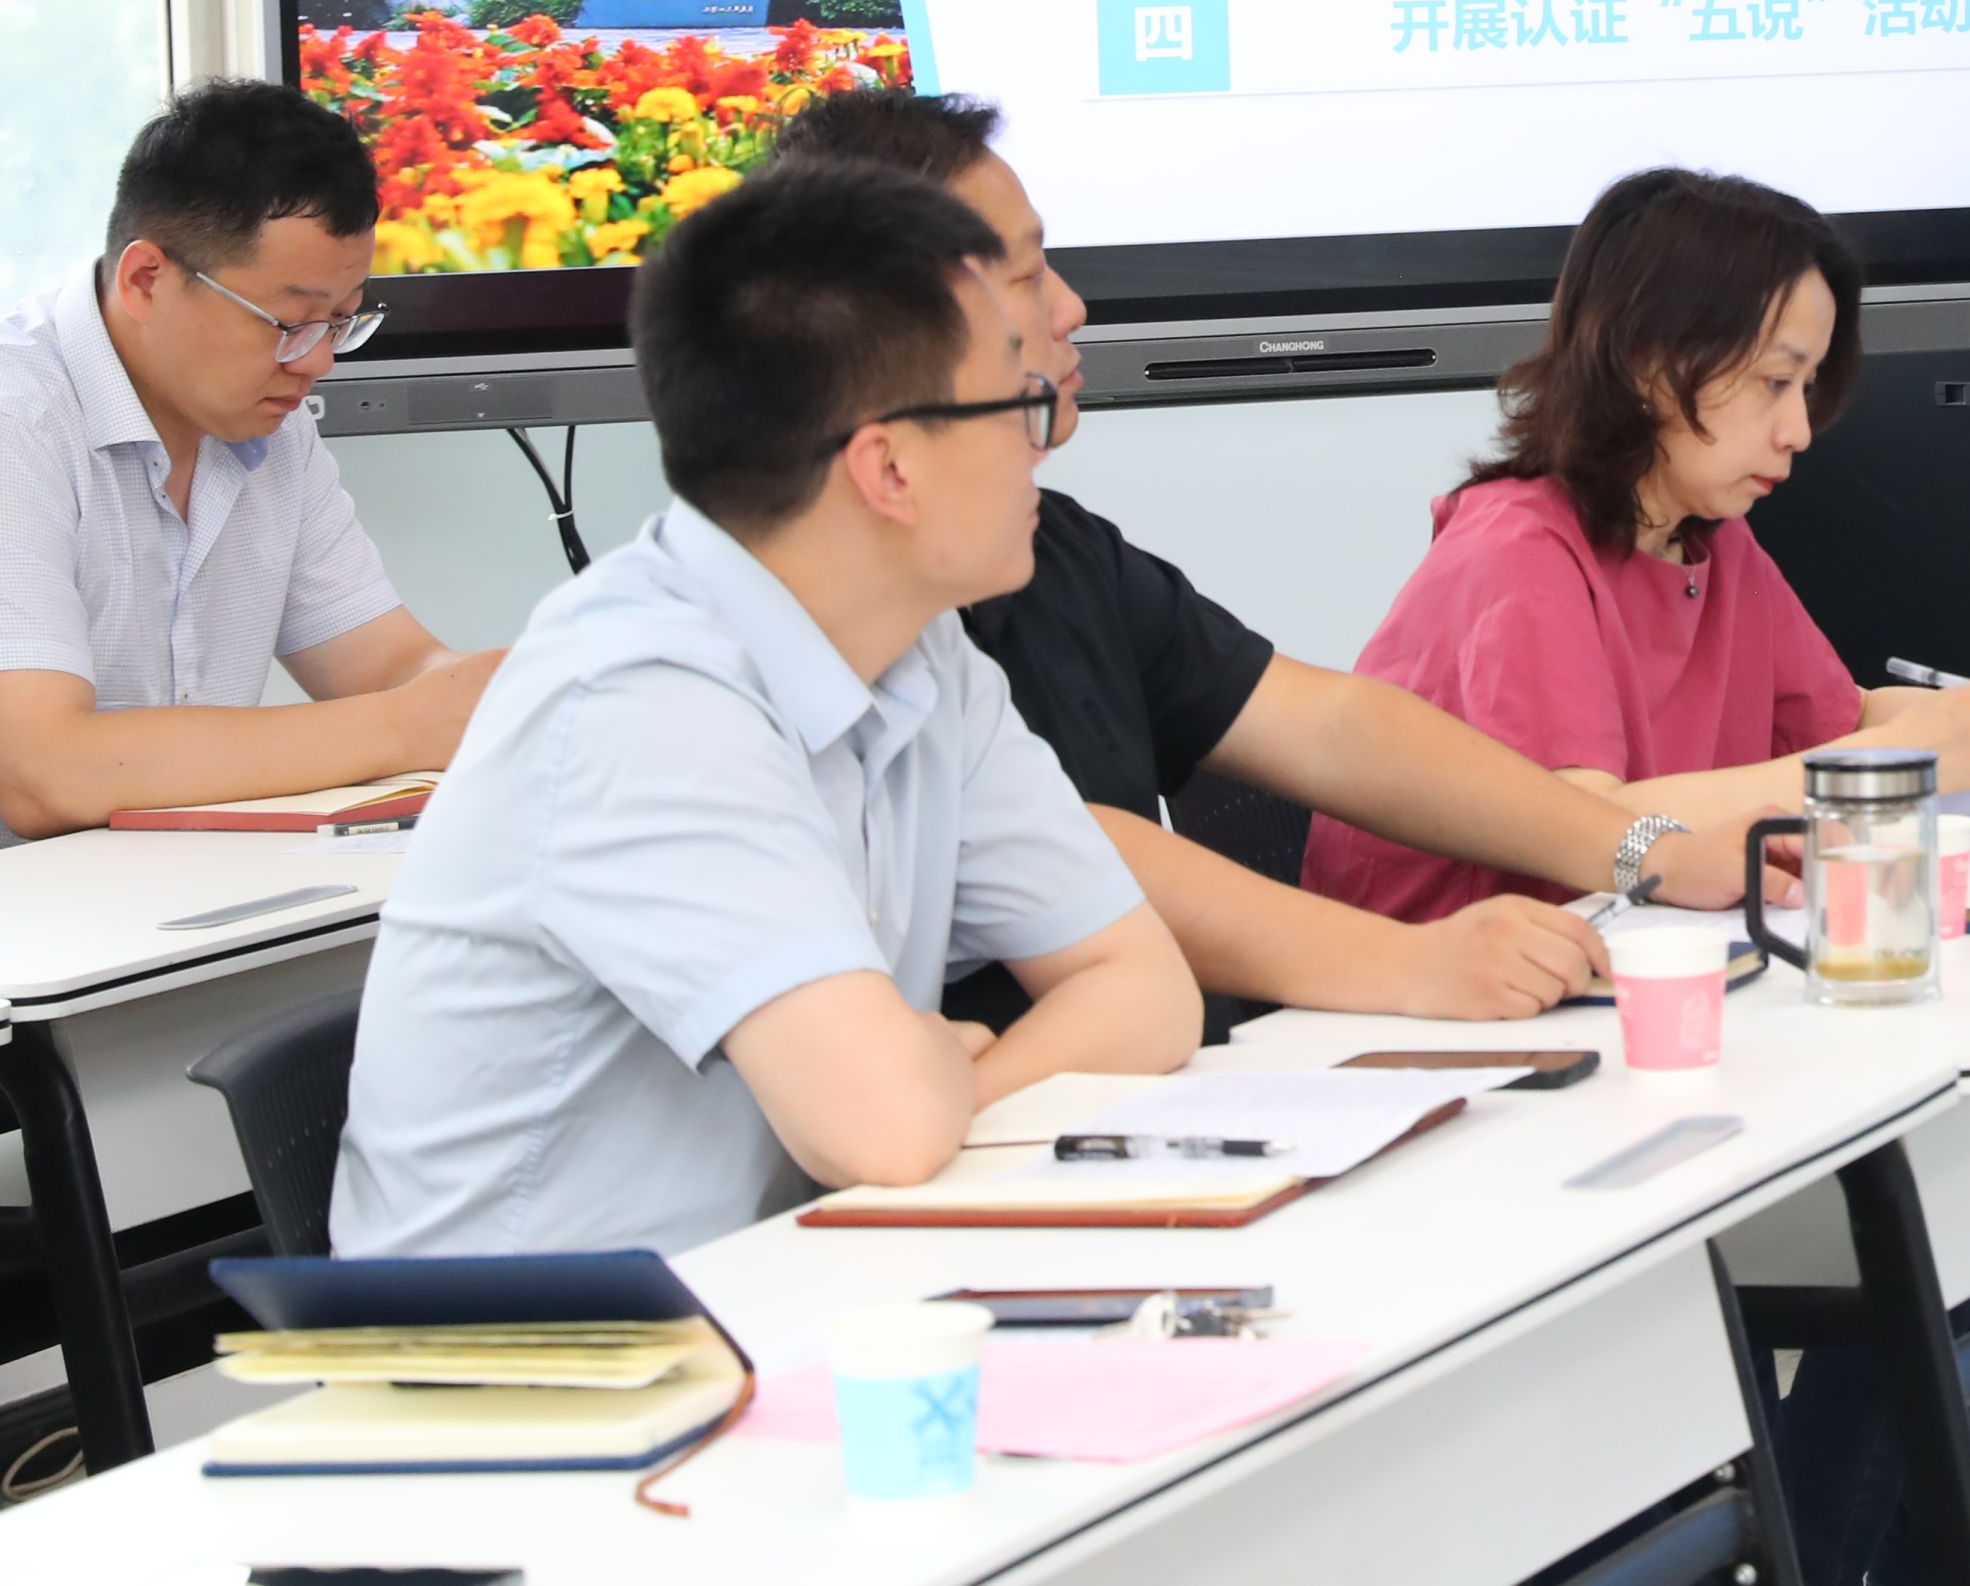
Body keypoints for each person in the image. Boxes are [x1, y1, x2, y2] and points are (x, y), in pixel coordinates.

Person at [331, 164, 1200, 1257]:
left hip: (786, 1277)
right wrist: (908, 1087)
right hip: (533, 1346)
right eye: (1015, 404)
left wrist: (950, 1079)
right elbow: (881, 1131)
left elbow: (1146, 994)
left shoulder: (919, 644)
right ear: (888, 468)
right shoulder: (643, 699)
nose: (1045, 440)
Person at [766, 89, 1758, 1024]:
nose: (1071, 308)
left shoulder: (1048, 544)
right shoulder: (810, 615)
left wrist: (1640, 849)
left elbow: (1326, 726)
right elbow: (1083, 859)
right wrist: (1414, 962)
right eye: (1027, 276)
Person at [1301, 164, 1970, 926]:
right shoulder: (1516, 551)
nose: (1799, 430)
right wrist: (1899, 757)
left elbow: (1842, 716)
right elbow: (1590, 830)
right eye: (1774, 382)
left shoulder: (1709, 539)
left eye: (1806, 387)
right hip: (1454, 984)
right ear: (1648, 362)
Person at [0, 81, 500, 842]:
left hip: (176, 888)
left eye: (342, 321)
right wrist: (406, 726)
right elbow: (42, 772)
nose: (318, 362)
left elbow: (390, 668)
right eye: (290, 322)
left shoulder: (269, 421)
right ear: (146, 279)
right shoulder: (21, 418)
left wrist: (505, 697)